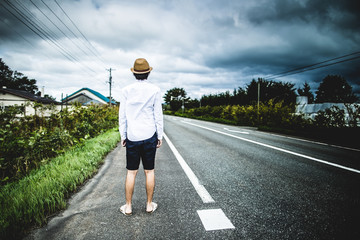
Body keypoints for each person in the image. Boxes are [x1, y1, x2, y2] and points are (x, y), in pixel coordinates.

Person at [119, 58, 163, 216]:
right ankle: (149, 205)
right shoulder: (155, 90)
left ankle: (128, 206)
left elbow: (122, 116)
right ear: (148, 72)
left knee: (131, 172)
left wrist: (123, 135)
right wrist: (160, 135)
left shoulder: (126, 91)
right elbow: (158, 115)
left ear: (134, 74)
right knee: (149, 171)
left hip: (132, 135)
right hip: (149, 134)